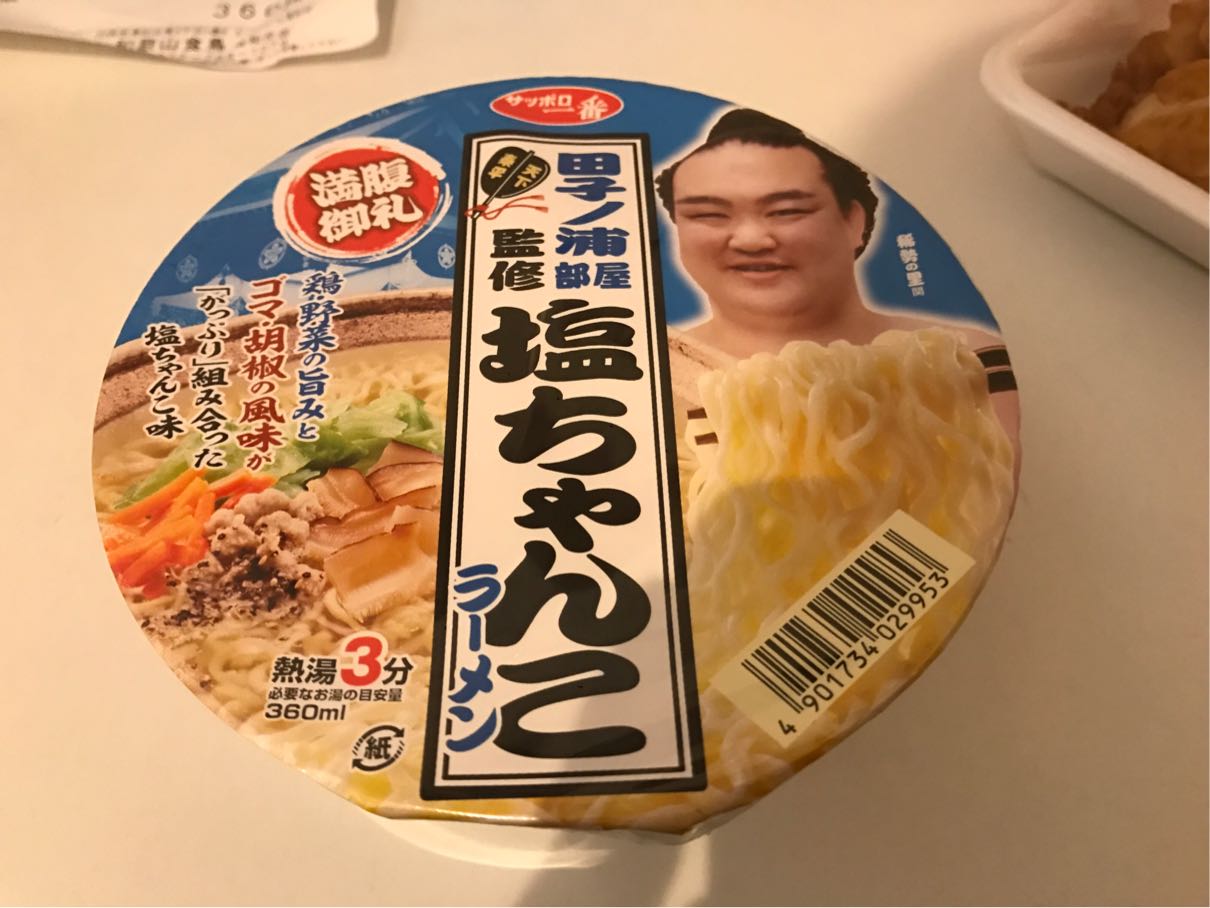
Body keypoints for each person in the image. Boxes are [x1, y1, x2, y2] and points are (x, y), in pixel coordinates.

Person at [656, 108, 1019, 456]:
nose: (751, 240)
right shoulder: (656, 381)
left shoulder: (959, 359)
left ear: (853, 221)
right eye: (709, 215)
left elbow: (983, 486)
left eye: (786, 211)